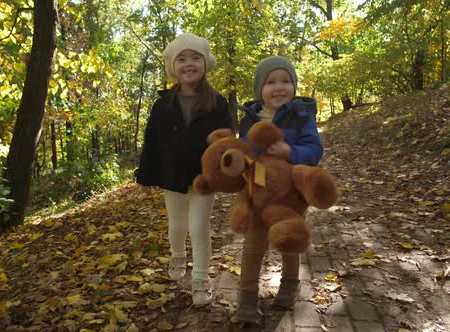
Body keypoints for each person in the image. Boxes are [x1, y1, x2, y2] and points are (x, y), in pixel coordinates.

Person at [135, 33, 233, 306]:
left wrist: (227, 171)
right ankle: (178, 254)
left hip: (204, 179)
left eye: (195, 58)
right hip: (172, 177)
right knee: (177, 225)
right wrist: (145, 175)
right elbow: (151, 141)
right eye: (182, 59)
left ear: (205, 63)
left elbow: (226, 140)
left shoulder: (218, 102)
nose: (189, 64)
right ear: (172, 66)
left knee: (199, 226)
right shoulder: (162, 105)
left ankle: (201, 278)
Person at [235, 56, 323, 327]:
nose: (279, 87)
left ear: (294, 86)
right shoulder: (249, 119)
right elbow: (244, 154)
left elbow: (315, 149)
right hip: (259, 190)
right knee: (254, 243)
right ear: (259, 89)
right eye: (271, 82)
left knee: (289, 239)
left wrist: (291, 152)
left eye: (286, 81)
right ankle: (247, 298)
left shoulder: (301, 115)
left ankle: (289, 285)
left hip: (291, 194)